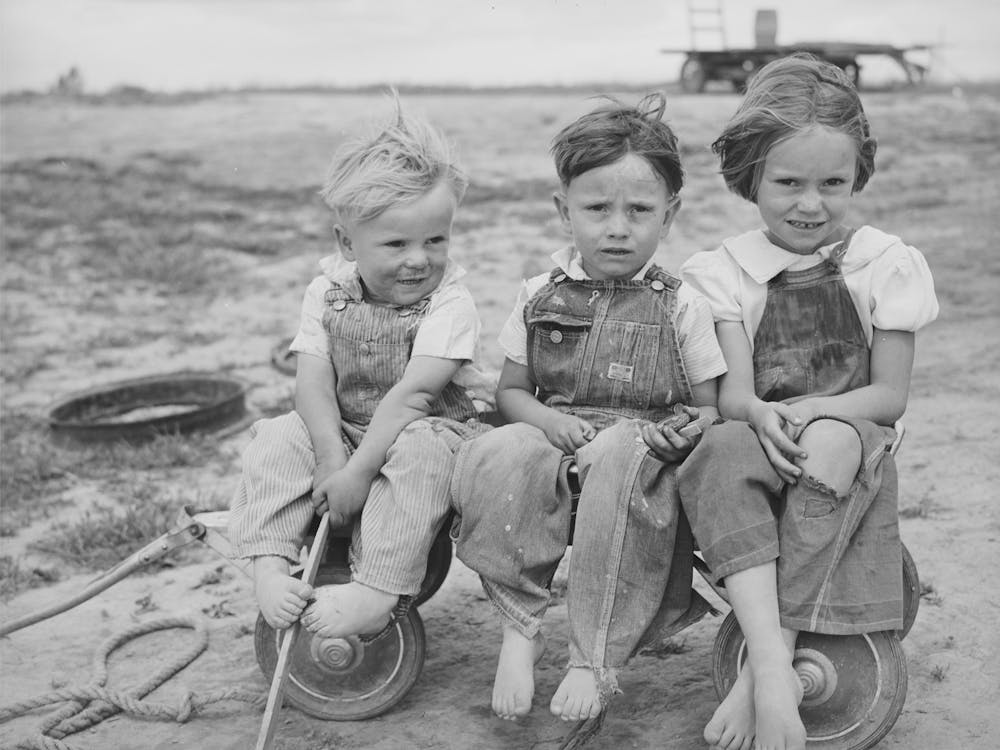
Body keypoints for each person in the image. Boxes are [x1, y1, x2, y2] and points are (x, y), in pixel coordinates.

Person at [677, 54, 939, 750]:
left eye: (833, 183)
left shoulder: (882, 263)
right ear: (750, 174)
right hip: (765, 429)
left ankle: (764, 671)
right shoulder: (725, 272)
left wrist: (817, 411)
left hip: (849, 430)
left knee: (826, 442)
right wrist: (762, 414)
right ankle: (771, 665)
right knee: (719, 448)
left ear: (858, 175)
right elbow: (737, 395)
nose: (810, 204)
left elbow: (888, 396)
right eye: (788, 182)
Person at [451, 93, 727, 723]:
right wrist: (548, 422)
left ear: (670, 215)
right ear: (564, 211)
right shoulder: (539, 294)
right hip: (558, 436)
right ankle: (519, 626)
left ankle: (593, 655)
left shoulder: (681, 305)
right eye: (597, 208)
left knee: (620, 456)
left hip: (639, 450)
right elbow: (511, 394)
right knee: (499, 448)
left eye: (639, 210)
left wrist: (678, 432)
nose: (617, 227)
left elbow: (709, 407)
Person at [229, 96, 492, 641]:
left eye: (436, 240)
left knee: (420, 451)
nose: (419, 259)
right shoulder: (327, 292)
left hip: (429, 430)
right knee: (278, 436)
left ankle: (378, 588)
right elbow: (313, 381)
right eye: (396, 244)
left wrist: (356, 473)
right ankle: (270, 565)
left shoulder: (450, 303)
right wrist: (331, 457)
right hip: (347, 432)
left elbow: (415, 396)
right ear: (347, 243)